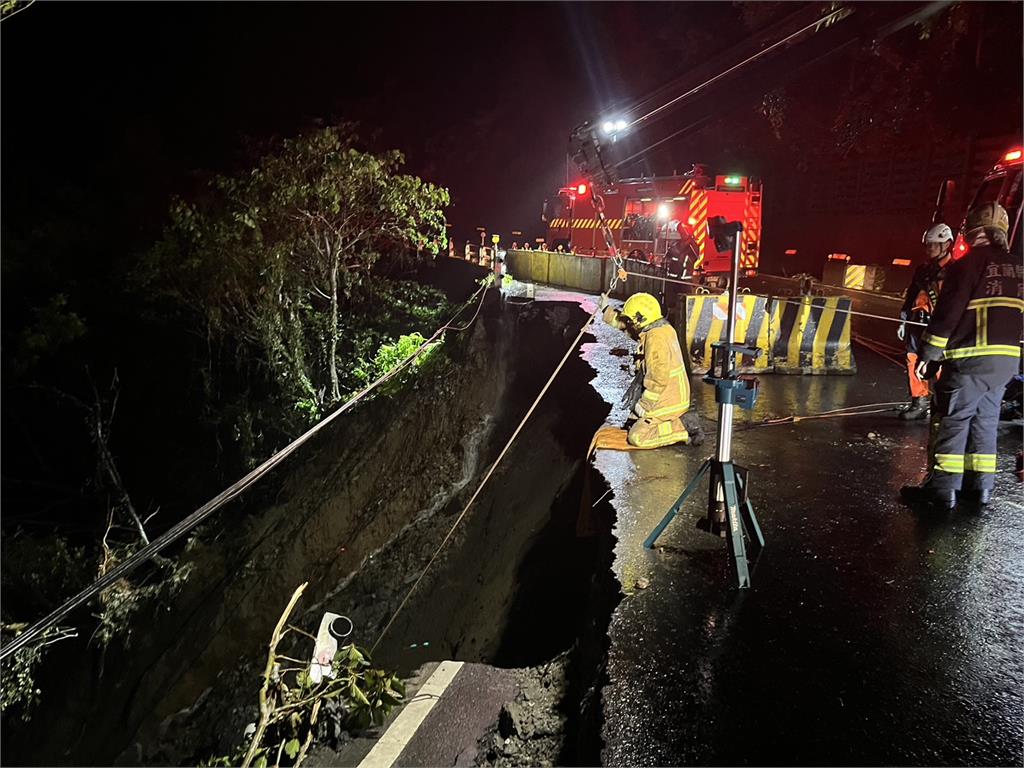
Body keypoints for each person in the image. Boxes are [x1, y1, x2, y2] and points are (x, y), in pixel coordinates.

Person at [900, 202, 1023, 509]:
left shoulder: (965, 266)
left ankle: (942, 491)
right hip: (1006, 363)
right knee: (985, 423)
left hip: (969, 361)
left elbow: (948, 314)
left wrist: (928, 354)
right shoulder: (1019, 268)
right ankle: (979, 489)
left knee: (953, 421)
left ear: (973, 231)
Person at [599, 291, 703, 448]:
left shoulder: (656, 340)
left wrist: (644, 406)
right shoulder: (659, 328)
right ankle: (673, 422)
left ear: (640, 319)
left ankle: (683, 428)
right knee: (632, 421)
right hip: (674, 395)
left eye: (631, 320)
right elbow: (627, 327)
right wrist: (607, 309)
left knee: (637, 437)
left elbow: (657, 379)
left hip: (667, 402)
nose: (630, 324)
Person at [897, 223, 955, 419]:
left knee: (938, 362)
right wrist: (904, 320)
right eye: (928, 245)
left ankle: (940, 403)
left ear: (946, 245)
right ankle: (919, 401)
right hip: (917, 322)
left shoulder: (955, 272)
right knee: (913, 359)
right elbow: (912, 295)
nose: (929, 248)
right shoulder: (923, 270)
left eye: (934, 244)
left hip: (939, 325)